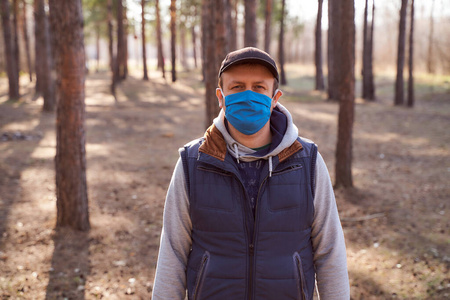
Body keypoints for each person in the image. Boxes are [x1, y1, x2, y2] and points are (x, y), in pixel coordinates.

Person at [152, 47, 350, 300]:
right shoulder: (192, 162)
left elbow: (330, 251)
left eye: (258, 87)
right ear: (221, 96)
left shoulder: (307, 160)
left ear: (275, 97)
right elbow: (172, 252)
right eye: (237, 87)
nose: (248, 95)